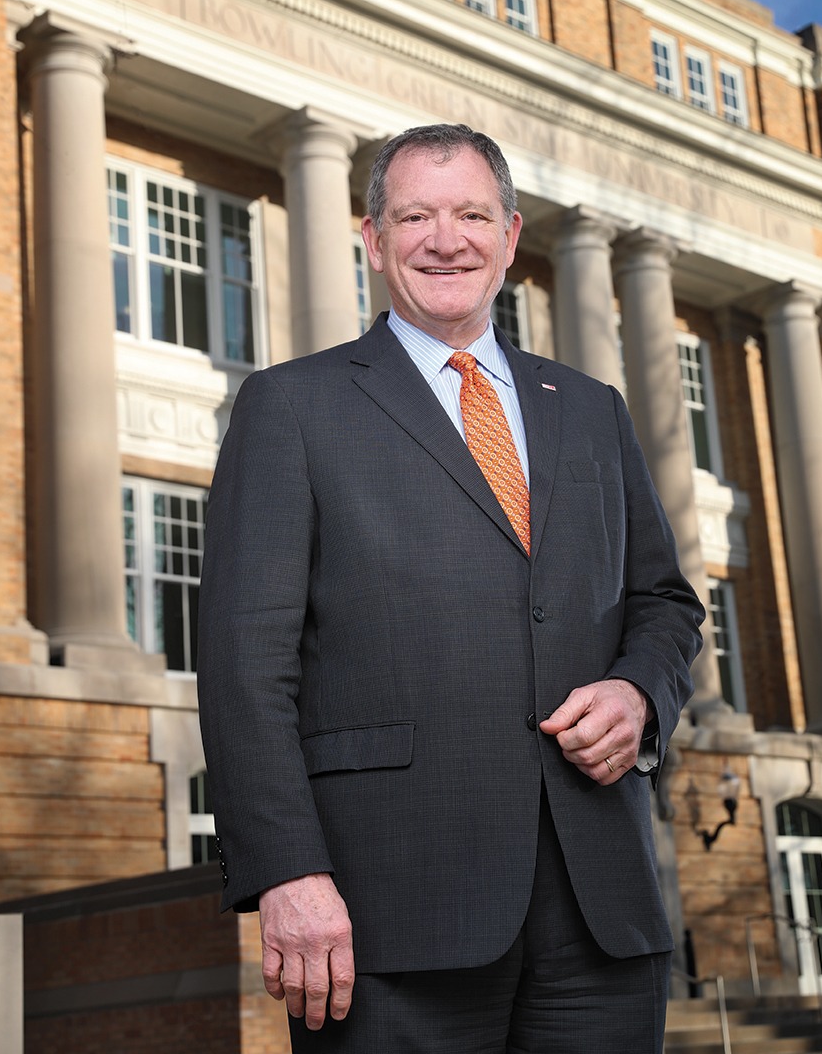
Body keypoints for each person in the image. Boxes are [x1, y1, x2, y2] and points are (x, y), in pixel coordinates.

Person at [197, 123, 704, 1053]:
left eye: (472, 214)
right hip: (386, 912)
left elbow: (664, 603)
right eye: (416, 215)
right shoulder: (291, 407)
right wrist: (286, 872)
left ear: (510, 237)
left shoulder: (592, 410)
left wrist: (640, 691)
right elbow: (243, 664)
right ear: (374, 239)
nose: (446, 239)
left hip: (600, 910)